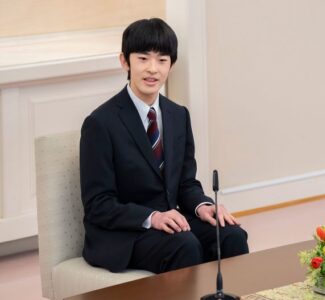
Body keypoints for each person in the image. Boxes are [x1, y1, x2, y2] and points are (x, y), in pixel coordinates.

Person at [80, 18, 249, 274]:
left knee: (232, 235)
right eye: (143, 58)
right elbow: (98, 204)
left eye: (162, 60)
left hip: (171, 222)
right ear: (124, 61)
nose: (153, 69)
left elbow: (185, 184)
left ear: (171, 65)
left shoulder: (178, 115)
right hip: (125, 234)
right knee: (184, 245)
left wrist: (202, 206)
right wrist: (153, 218)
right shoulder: (100, 123)